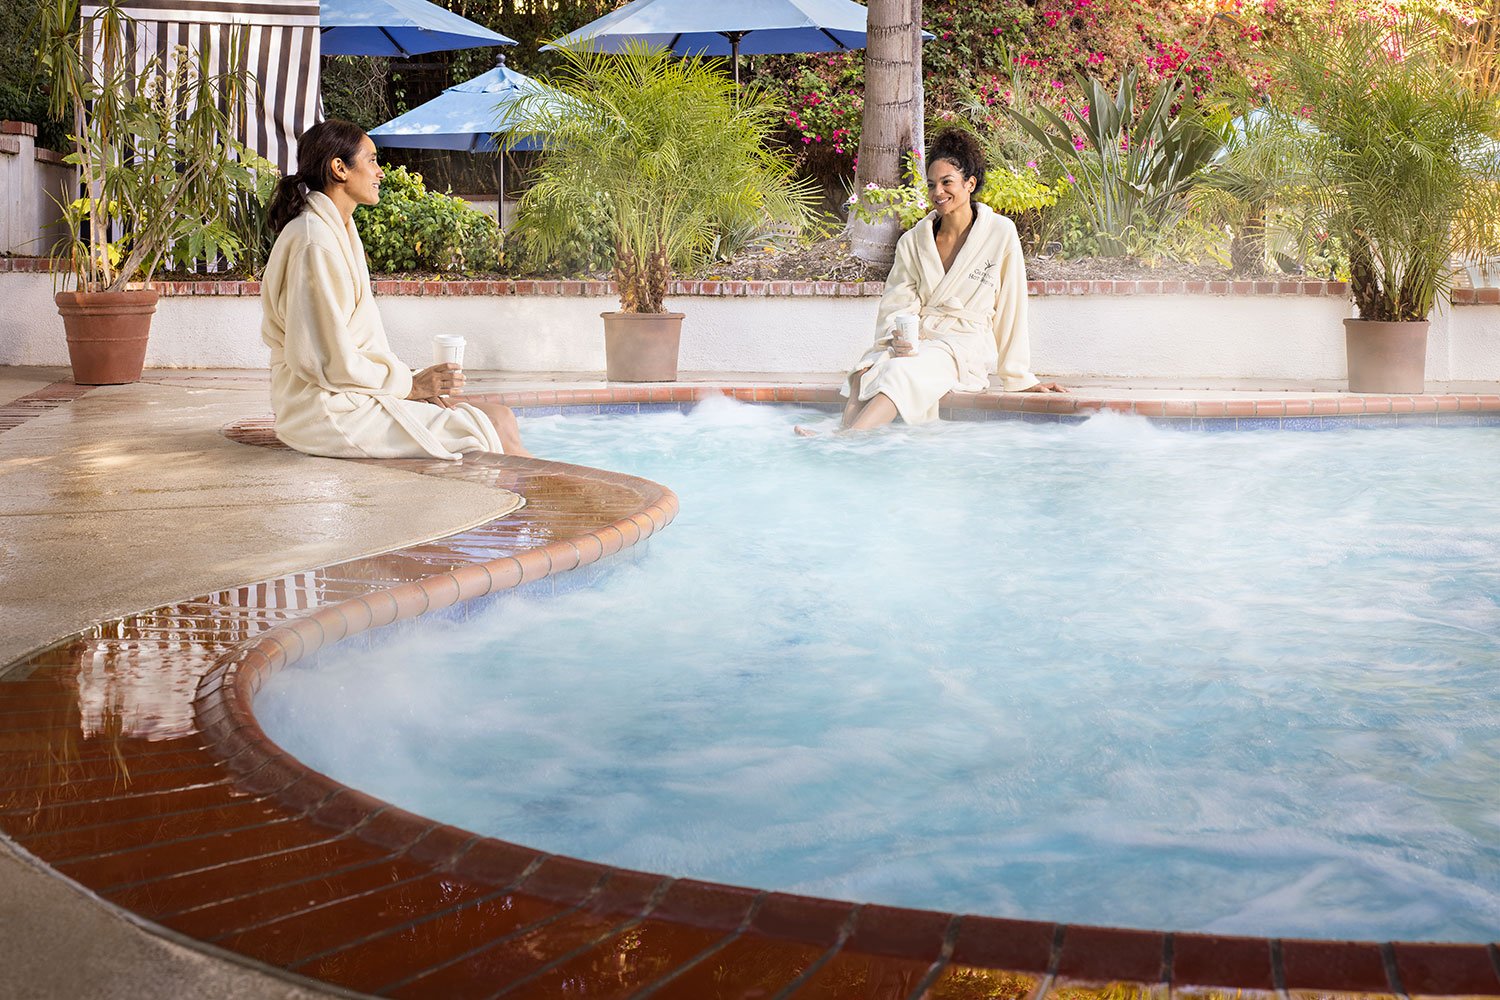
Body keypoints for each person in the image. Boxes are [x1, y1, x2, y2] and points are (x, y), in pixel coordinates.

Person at [260, 119, 530, 459]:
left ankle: (543, 503)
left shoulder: (334, 229)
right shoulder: (314, 242)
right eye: (372, 160)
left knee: (500, 420)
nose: (381, 172)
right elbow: (324, 361)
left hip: (346, 396)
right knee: (488, 428)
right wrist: (411, 385)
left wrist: (408, 387)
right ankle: (549, 506)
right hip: (325, 411)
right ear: (339, 168)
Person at [799, 128, 1064, 436]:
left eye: (947, 182)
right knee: (865, 370)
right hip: (920, 338)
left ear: (970, 183)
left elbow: (1011, 307)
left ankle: (844, 440)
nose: (938, 191)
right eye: (931, 184)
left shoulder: (1000, 233)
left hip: (962, 346)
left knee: (900, 372)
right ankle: (846, 434)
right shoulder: (914, 240)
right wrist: (897, 338)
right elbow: (898, 301)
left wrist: (1019, 377)